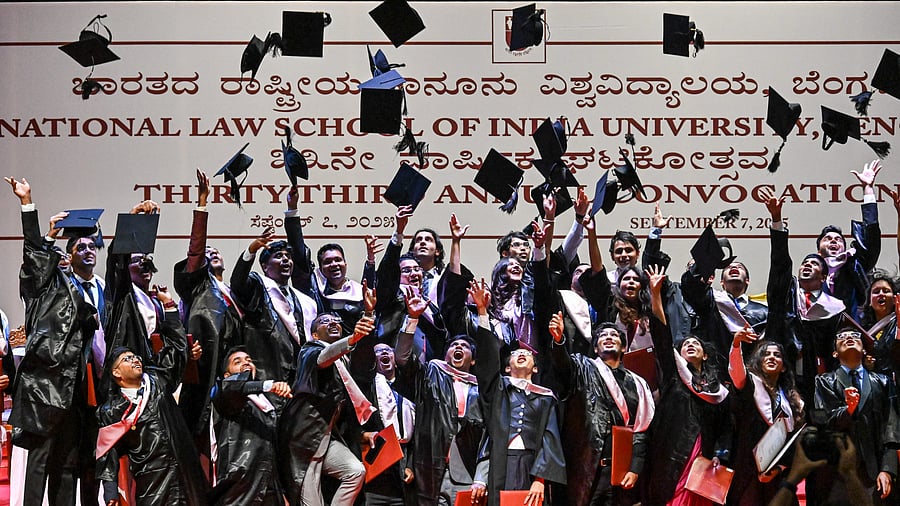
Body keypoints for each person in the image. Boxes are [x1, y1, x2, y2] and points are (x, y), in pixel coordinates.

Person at [6, 176, 99, 506]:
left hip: (73, 389)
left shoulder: (83, 291)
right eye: (58, 253)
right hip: (45, 386)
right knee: (41, 462)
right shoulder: (43, 289)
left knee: (68, 464)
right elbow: (33, 252)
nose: (59, 258)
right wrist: (28, 205)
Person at [95, 292, 208, 506]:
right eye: (127, 359)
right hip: (153, 482)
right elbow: (106, 455)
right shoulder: (112, 410)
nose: (135, 360)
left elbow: (177, 348)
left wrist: (169, 307)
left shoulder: (157, 380)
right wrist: (110, 494)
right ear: (116, 373)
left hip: (184, 472)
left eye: (135, 356)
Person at [468, 279, 566, 506]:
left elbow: (550, 438)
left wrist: (540, 478)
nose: (521, 354)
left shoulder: (545, 397)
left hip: (532, 465)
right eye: (515, 354)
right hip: (501, 461)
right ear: (506, 367)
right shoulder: (499, 390)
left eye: (528, 354)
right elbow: (486, 365)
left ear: (536, 367)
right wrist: (482, 311)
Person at [642, 265, 730, 506]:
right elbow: (661, 334)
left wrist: (721, 453)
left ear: (705, 355)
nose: (690, 345)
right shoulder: (674, 375)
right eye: (685, 344)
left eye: (696, 344)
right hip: (673, 454)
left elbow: (725, 427)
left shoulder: (719, 390)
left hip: (705, 460)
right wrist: (655, 293)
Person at [548, 311, 655, 505]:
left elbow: (641, 431)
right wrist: (559, 342)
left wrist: (634, 468)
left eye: (614, 335)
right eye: (603, 336)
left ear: (624, 348)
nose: (608, 337)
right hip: (586, 468)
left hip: (621, 472)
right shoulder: (582, 368)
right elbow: (563, 368)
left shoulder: (638, 383)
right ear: (596, 349)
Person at [173, 169, 244, 453]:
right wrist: (202, 204)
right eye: (206, 253)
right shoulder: (198, 288)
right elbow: (195, 251)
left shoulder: (233, 294)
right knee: (200, 445)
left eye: (216, 251)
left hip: (231, 378)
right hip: (204, 376)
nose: (210, 254)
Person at [277, 312, 376, 506]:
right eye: (324, 321)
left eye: (336, 321)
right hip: (304, 438)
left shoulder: (343, 361)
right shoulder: (310, 349)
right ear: (315, 334)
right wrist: (352, 338)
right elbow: (322, 358)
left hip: (326, 436)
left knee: (355, 471)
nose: (333, 323)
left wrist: (369, 314)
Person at [394, 300, 484, 506]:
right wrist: (413, 318)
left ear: (473, 361)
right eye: (454, 345)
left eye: (464, 346)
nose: (458, 347)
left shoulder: (480, 390)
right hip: (429, 467)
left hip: (464, 472)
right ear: (446, 354)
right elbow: (402, 356)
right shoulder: (431, 374)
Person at [763, 187, 845, 401]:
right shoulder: (787, 292)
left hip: (819, 379)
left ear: (824, 276)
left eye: (814, 264)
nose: (807, 266)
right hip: (781, 374)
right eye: (804, 263)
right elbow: (780, 264)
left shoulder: (834, 307)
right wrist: (777, 220)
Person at [810, 325, 899, 505]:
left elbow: (891, 429)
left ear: (864, 349)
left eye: (854, 335)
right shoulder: (824, 382)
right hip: (836, 474)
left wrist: (888, 469)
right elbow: (823, 422)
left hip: (873, 473)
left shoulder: (882, 381)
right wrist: (848, 410)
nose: (848, 337)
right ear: (835, 353)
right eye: (842, 336)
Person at [229, 224, 317, 385]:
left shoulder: (305, 301)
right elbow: (237, 283)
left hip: (300, 375)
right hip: (269, 371)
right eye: (278, 256)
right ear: (264, 266)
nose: (285, 260)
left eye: (288, 257)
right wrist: (251, 251)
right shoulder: (258, 287)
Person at [208, 346, 292, 506]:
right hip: (240, 485)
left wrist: (279, 491)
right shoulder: (225, 394)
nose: (245, 363)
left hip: (267, 484)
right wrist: (269, 385)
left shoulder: (264, 401)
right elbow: (230, 387)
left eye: (248, 360)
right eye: (237, 361)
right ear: (227, 375)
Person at [728, 334, 804, 505]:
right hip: (748, 471)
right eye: (766, 354)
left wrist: (779, 468)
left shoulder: (792, 400)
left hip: (779, 475)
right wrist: (736, 345)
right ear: (758, 362)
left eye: (777, 355)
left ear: (783, 367)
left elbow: (794, 441)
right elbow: (737, 373)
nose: (771, 357)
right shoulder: (750, 386)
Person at [375, 205, 448, 363]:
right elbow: (387, 274)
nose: (414, 273)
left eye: (417, 269)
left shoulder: (431, 306)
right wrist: (399, 231)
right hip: (394, 366)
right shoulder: (392, 297)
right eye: (407, 271)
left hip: (429, 370)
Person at [816, 159, 883, 321]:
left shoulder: (853, 265)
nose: (833, 241)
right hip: (818, 339)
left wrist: (868, 189)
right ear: (818, 249)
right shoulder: (811, 270)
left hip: (851, 332)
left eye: (838, 240)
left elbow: (871, 238)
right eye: (828, 239)